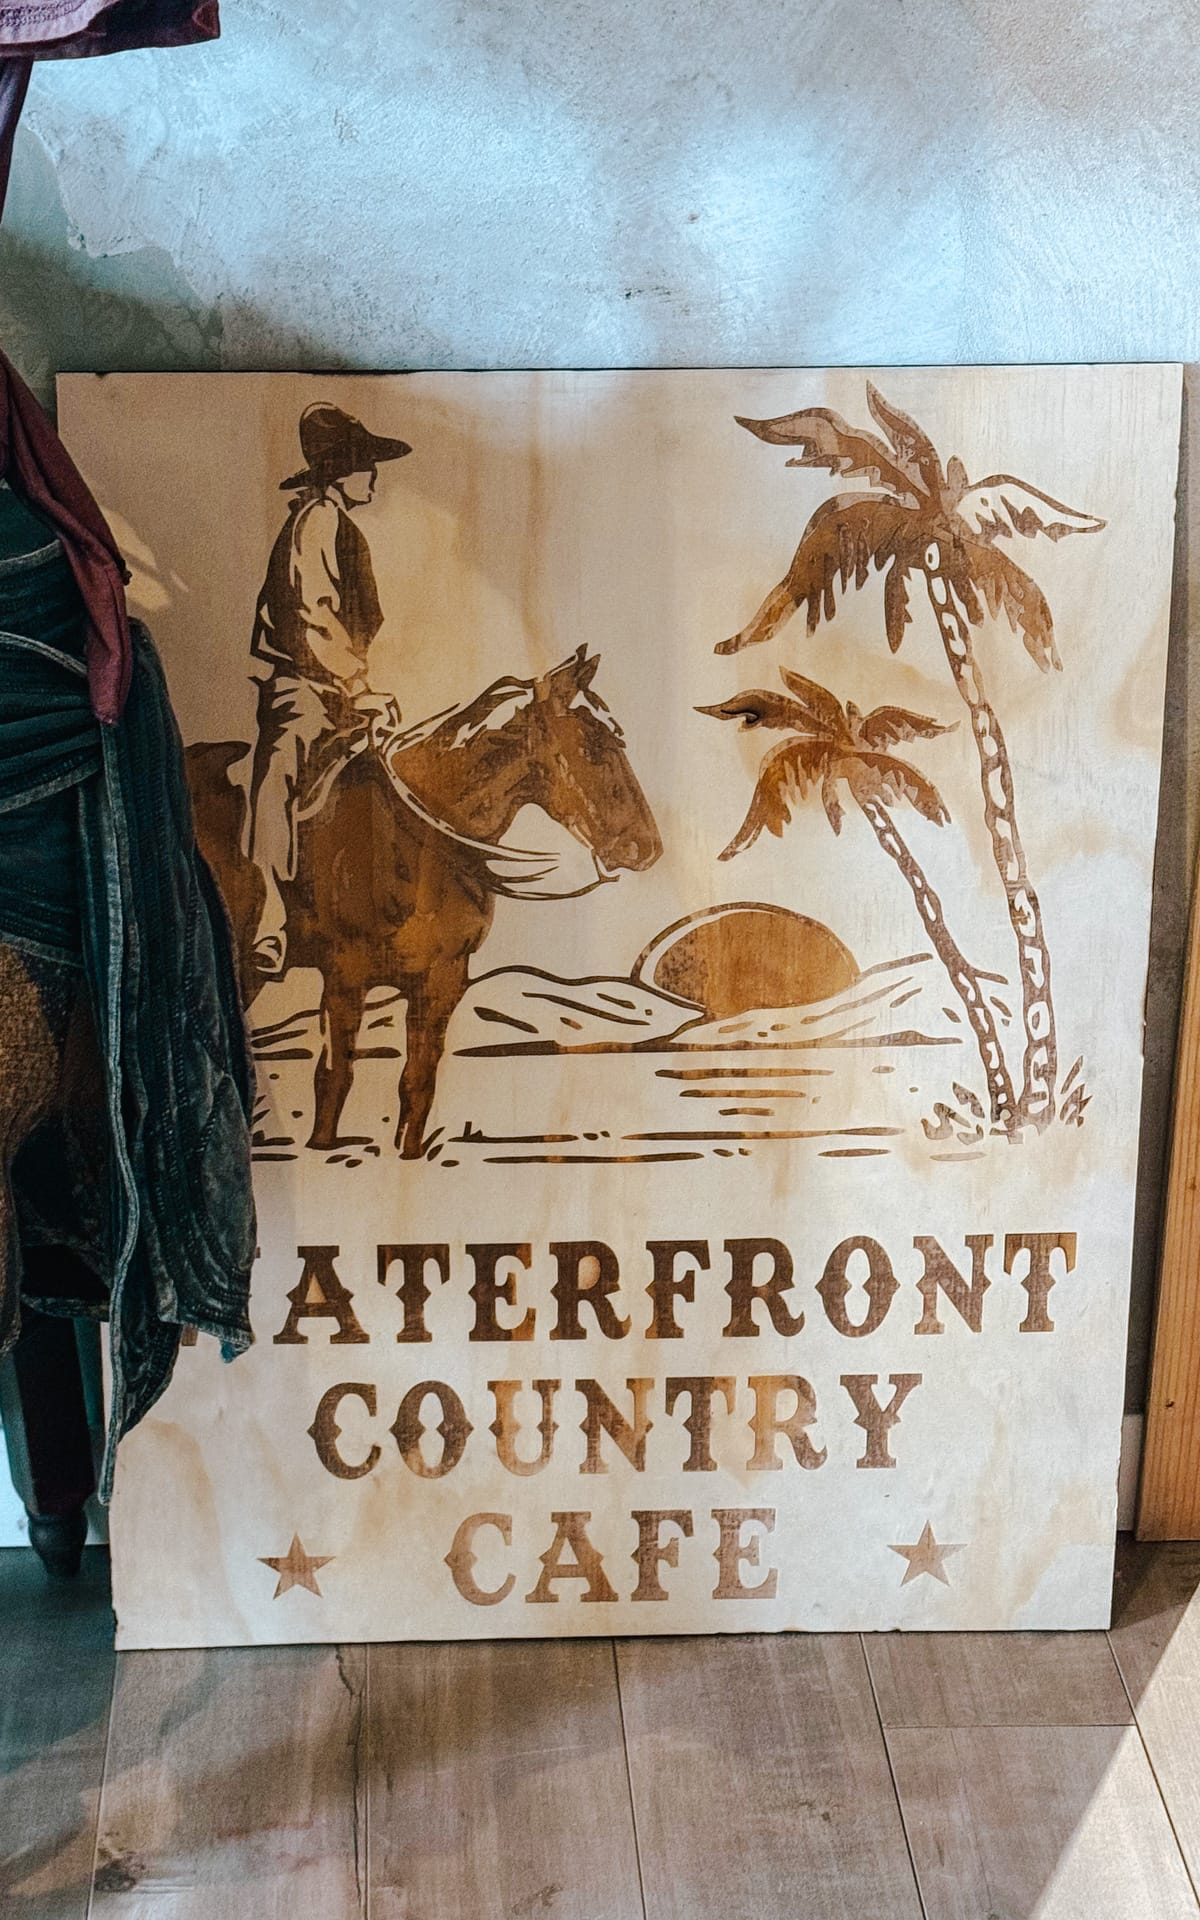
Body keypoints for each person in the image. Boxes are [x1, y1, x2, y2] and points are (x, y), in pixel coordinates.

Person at [245, 401, 410, 976]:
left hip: (336, 685)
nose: (374, 475)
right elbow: (315, 614)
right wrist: (359, 684)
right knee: (278, 778)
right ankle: (267, 919)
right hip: (302, 687)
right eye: (365, 465)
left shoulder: (343, 525)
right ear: (339, 473)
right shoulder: (318, 520)